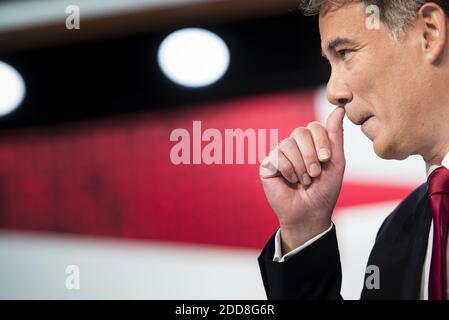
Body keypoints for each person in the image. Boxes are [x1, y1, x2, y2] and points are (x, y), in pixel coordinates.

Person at [258, 0, 449, 300]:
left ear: (429, 33)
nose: (333, 92)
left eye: (345, 52)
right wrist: (305, 233)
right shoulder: (397, 236)